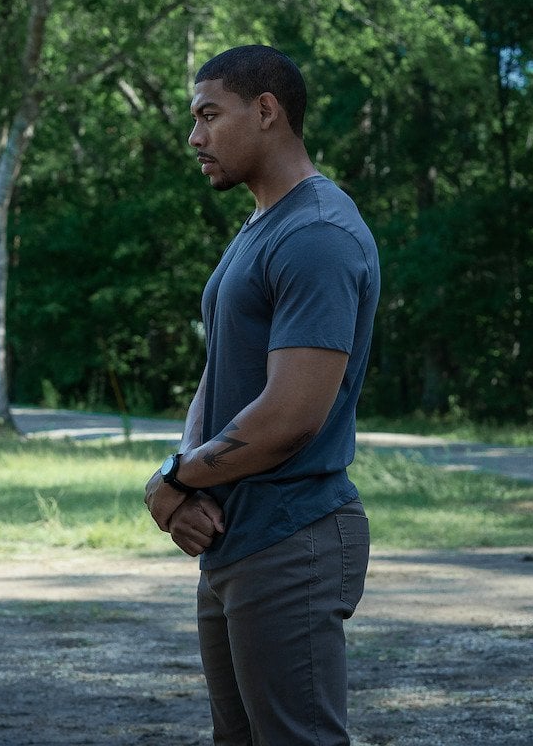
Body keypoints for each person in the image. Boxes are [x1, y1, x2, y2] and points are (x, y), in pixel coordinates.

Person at [144, 46, 380, 745]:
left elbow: (290, 416)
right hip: (236, 536)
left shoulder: (317, 234)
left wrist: (175, 480)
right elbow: (219, 373)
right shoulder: (263, 225)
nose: (195, 136)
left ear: (267, 110)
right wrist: (186, 480)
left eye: (209, 115)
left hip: (291, 536)